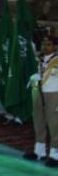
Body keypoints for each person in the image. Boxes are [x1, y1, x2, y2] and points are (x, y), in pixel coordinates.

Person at [23, 36, 58, 166]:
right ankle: (39, 152)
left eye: (48, 44)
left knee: (54, 124)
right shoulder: (41, 59)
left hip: (54, 94)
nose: (44, 47)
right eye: (43, 44)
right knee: (38, 121)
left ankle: (55, 155)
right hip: (39, 92)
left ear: (55, 46)